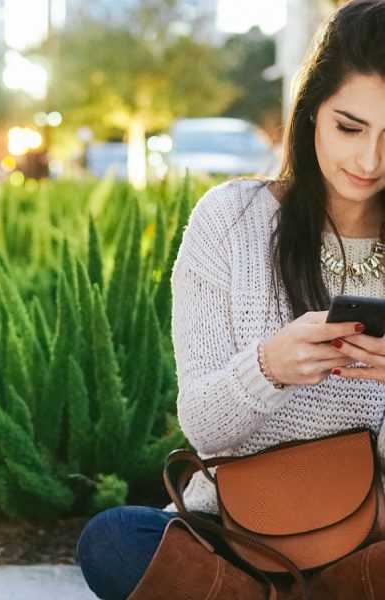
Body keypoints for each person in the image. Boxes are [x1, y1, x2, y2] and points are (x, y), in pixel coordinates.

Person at [76, 1, 385, 598]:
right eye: (350, 127)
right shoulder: (231, 219)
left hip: (373, 524)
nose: (369, 161)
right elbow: (205, 427)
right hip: (241, 529)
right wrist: (269, 366)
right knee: (113, 540)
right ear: (311, 110)